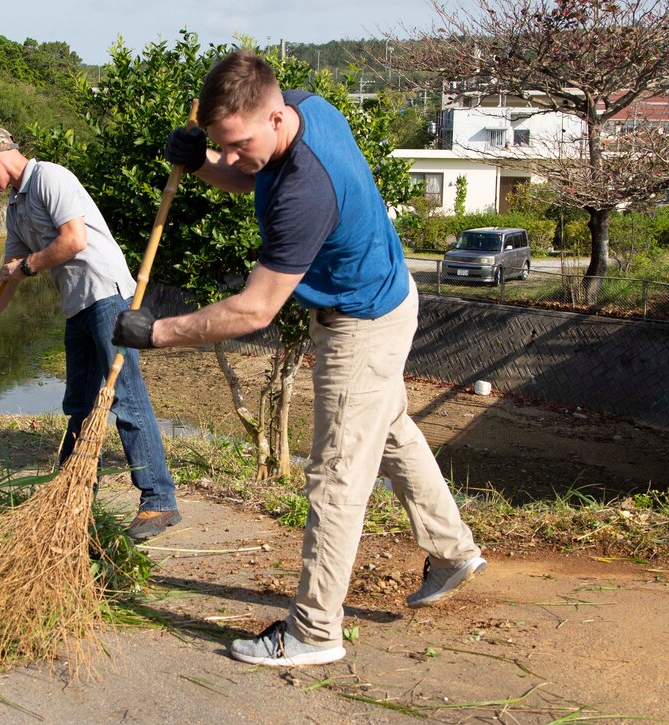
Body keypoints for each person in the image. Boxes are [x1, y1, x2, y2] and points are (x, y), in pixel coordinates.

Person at [113, 51, 486, 666]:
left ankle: (315, 631)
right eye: (222, 145)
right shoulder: (305, 109)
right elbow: (250, 174)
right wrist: (203, 163)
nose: (234, 158)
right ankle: (453, 551)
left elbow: (254, 311)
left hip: (360, 323)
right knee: (387, 428)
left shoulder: (308, 189)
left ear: (276, 116)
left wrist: (155, 332)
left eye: (238, 144)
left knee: (336, 475)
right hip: (388, 297)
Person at [0, 126, 181, 540]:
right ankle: (72, 494)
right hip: (77, 304)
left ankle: (159, 501)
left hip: (107, 296)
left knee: (126, 397)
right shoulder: (15, 207)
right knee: (78, 403)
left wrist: (28, 265)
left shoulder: (50, 178)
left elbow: (73, 241)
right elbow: (8, 272)